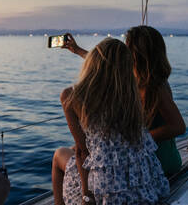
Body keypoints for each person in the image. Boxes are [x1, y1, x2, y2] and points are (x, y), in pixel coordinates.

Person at [52, 38, 169, 205]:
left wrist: (87, 195)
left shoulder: (71, 96)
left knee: (59, 155)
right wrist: (78, 50)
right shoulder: (131, 93)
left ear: (93, 61)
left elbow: (82, 152)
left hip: (107, 192)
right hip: (144, 190)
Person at [62, 26, 186, 176]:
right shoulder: (133, 79)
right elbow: (105, 65)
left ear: (137, 52)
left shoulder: (154, 86)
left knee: (69, 154)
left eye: (127, 45)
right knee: (78, 149)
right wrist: (77, 50)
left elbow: (178, 127)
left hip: (156, 163)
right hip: (147, 158)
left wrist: (135, 139)